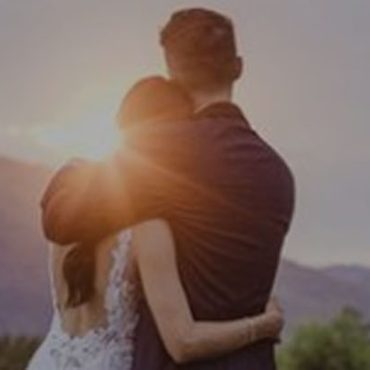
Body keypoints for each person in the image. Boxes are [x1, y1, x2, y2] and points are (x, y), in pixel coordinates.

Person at [41, 8, 295, 370]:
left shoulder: (162, 155)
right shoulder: (278, 173)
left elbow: (59, 220)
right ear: (238, 67)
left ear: (172, 74)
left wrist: (72, 171)